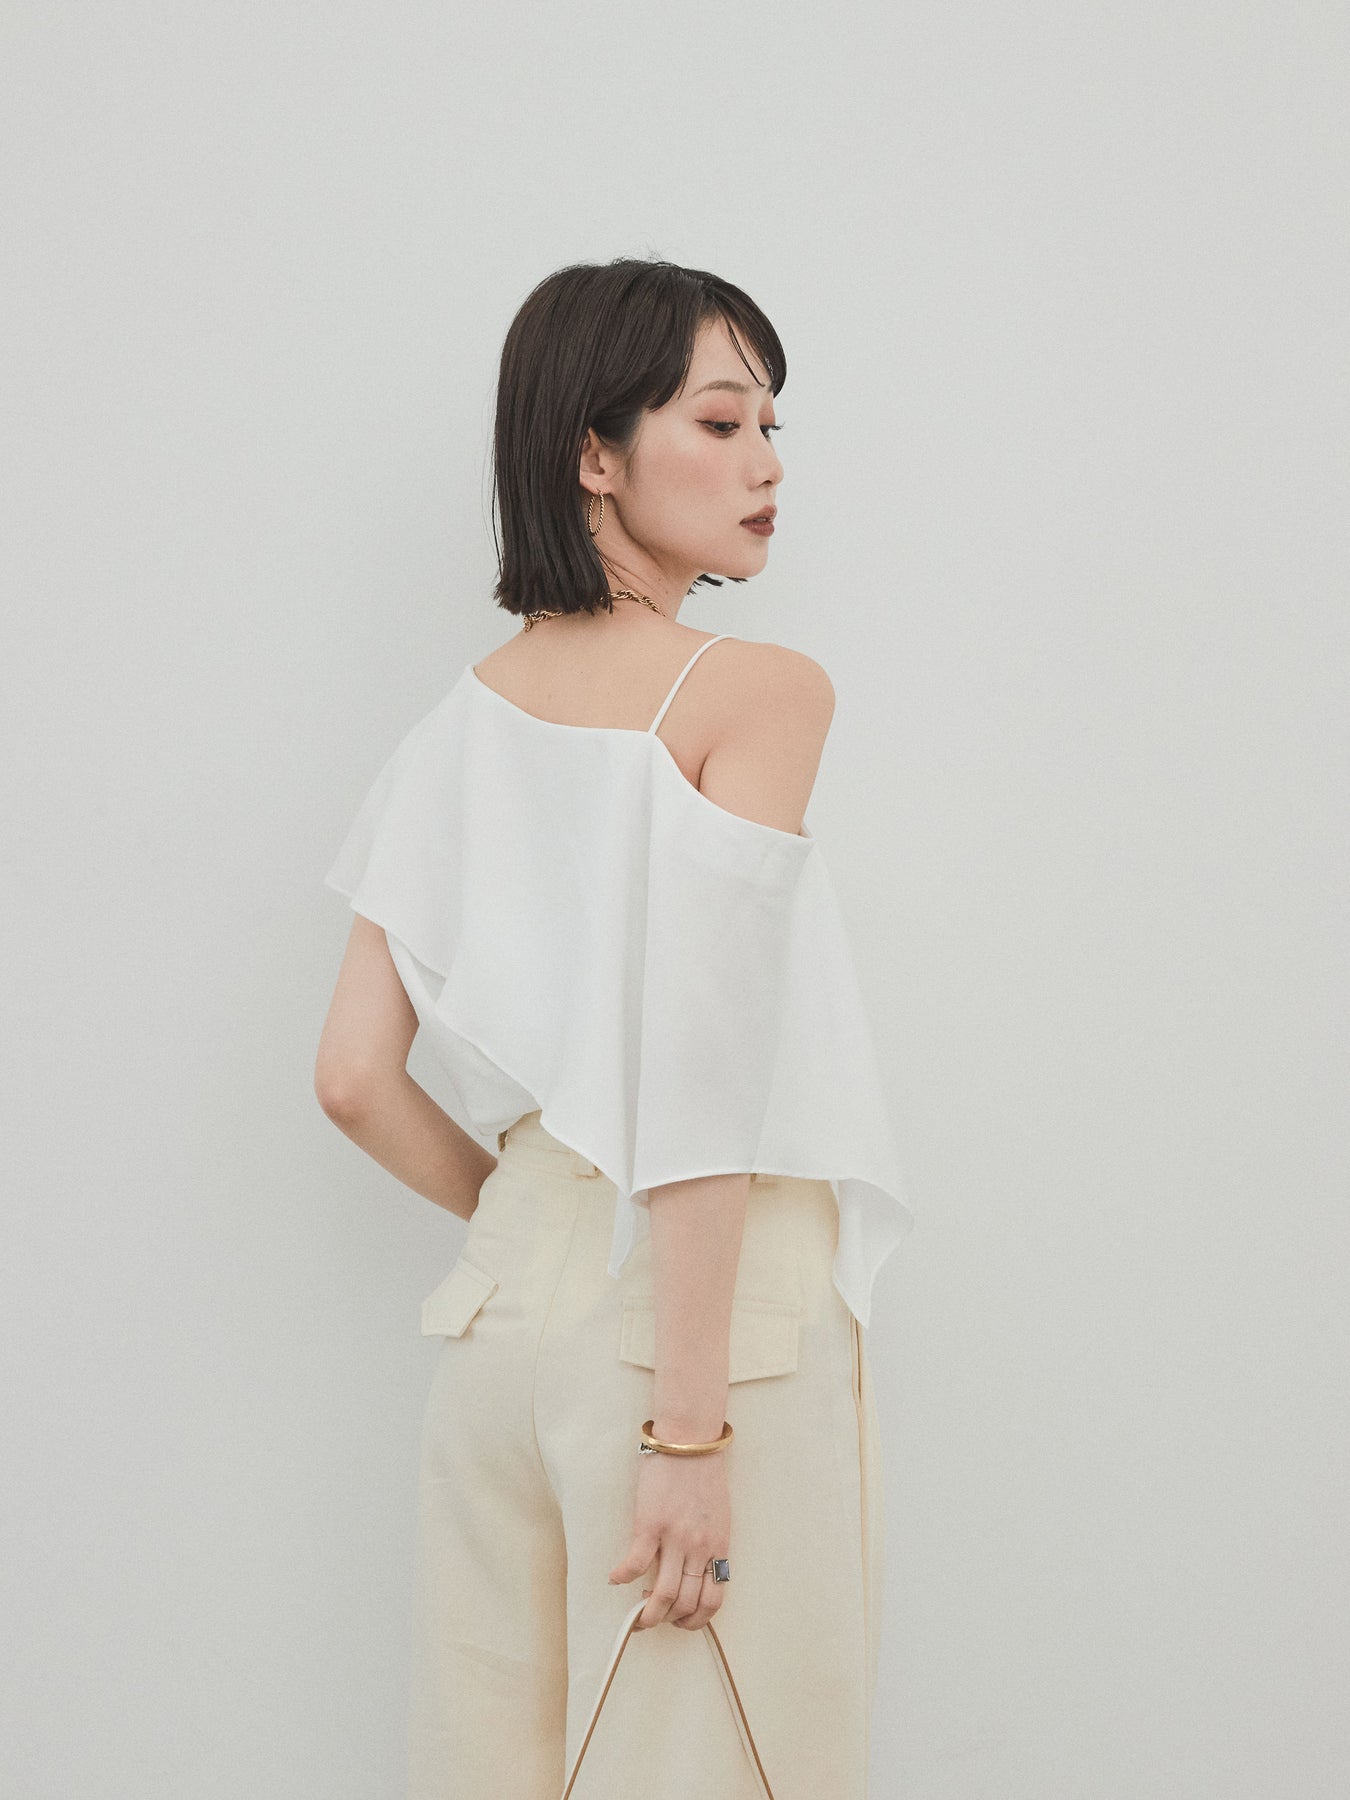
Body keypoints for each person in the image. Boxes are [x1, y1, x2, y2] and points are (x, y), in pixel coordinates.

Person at [314, 257, 913, 1800]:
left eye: (770, 426)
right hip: (705, 1334)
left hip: (502, 1329)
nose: (765, 463)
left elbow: (354, 1077)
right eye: (718, 422)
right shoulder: (756, 693)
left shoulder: (455, 725)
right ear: (593, 452)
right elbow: (700, 1080)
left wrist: (535, 1225)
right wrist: (687, 1436)